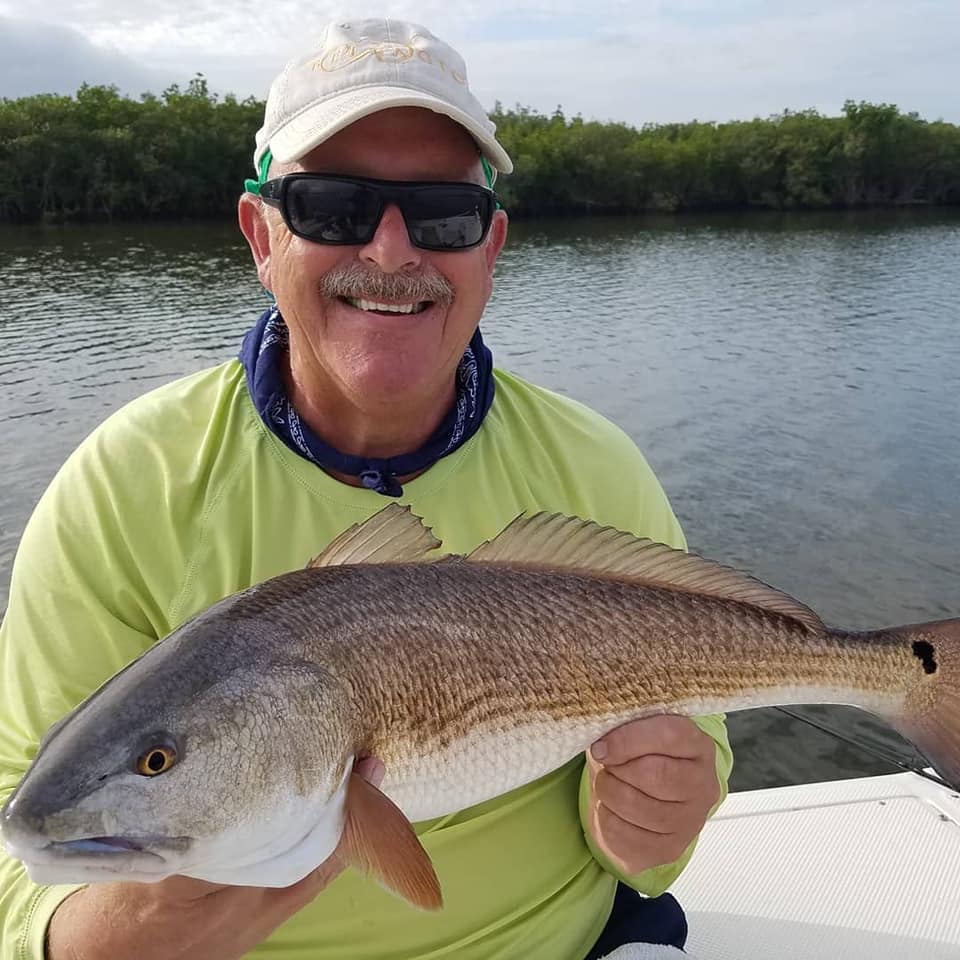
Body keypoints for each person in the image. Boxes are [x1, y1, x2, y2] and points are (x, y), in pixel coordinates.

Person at [0, 18, 732, 960]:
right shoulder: (125, 485)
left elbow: (693, 751)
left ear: (491, 246)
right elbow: (24, 860)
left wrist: (659, 826)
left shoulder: (595, 465)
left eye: (441, 215)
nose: (392, 252)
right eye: (333, 205)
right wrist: (128, 934)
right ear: (261, 234)